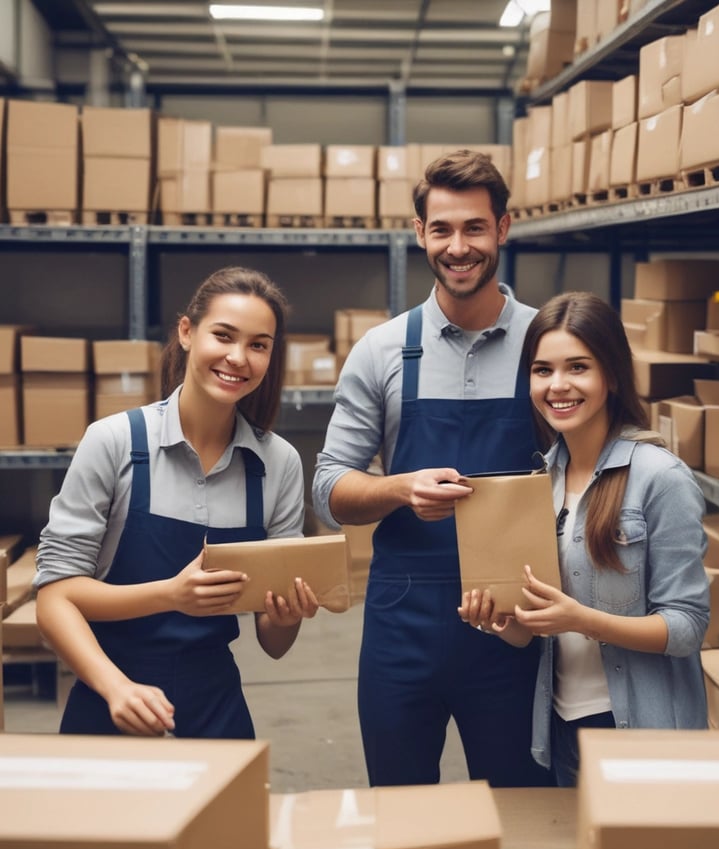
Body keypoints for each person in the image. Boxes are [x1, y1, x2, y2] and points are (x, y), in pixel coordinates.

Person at [312, 149, 551, 787]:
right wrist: (398, 488)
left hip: (514, 624)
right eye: (442, 229)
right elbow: (329, 485)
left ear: (503, 228)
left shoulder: (547, 346)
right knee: (402, 814)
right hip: (403, 621)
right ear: (420, 233)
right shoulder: (383, 351)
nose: (458, 246)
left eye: (474, 227)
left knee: (523, 815)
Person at [35, 266, 319, 739]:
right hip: (110, 697)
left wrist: (285, 616)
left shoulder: (278, 463)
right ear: (187, 332)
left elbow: (272, 642)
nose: (238, 357)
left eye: (258, 345)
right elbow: (54, 598)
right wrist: (118, 687)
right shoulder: (115, 442)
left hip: (216, 709)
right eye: (223, 336)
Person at [459, 291, 710, 786]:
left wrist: (582, 620)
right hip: (564, 728)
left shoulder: (660, 478)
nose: (558, 386)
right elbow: (534, 631)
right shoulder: (543, 482)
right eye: (542, 370)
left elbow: (687, 627)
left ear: (611, 375)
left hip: (643, 732)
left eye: (578, 368)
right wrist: (499, 621)